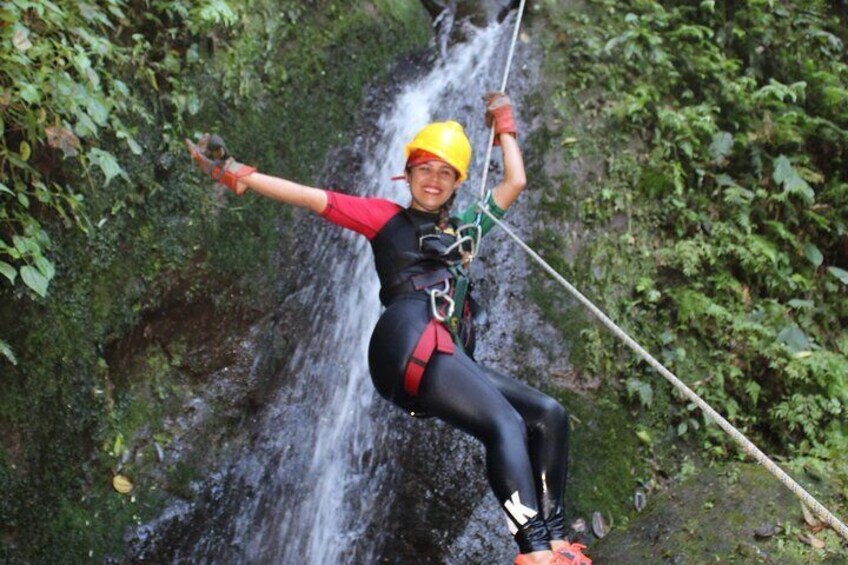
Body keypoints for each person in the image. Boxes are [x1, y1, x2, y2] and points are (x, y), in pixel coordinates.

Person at [185, 92, 591, 565]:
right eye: (425, 169)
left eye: (445, 172)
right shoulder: (386, 219)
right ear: (409, 173)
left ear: (458, 181)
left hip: (443, 350)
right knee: (504, 423)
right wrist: (242, 176)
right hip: (408, 338)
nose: (433, 180)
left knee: (547, 414)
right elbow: (316, 199)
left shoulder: (465, 230)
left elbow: (515, 180)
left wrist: (504, 124)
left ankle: (558, 542)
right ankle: (535, 554)